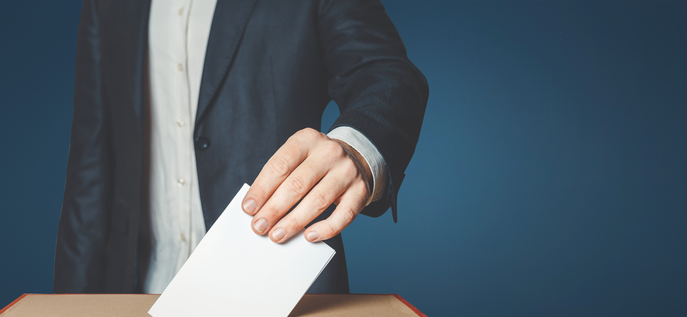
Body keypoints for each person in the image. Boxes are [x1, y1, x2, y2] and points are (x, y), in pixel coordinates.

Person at [54, 0, 428, 294]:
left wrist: (357, 147)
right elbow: (92, 163)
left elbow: (384, 72)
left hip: (283, 295)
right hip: (135, 297)